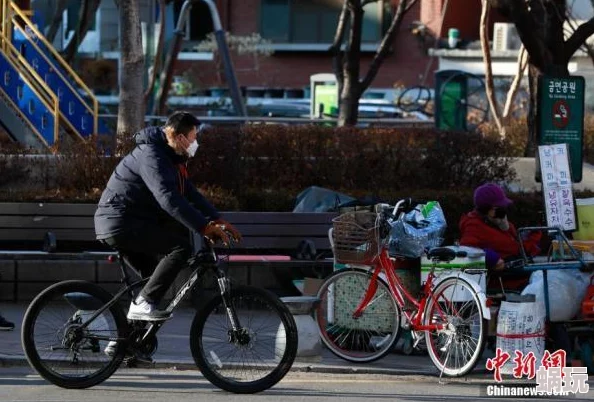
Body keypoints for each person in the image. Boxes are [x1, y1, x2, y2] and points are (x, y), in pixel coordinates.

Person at [94, 111, 242, 322]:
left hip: (130, 221)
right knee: (181, 248)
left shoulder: (170, 158)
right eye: (193, 137)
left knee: (153, 279)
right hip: (121, 222)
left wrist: (216, 218)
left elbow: (189, 192)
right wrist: (203, 227)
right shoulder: (152, 155)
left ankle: (124, 345)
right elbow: (168, 199)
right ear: (179, 137)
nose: (195, 142)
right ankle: (142, 306)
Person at [459, 182, 542, 291]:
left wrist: (535, 237)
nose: (503, 211)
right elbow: (466, 249)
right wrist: (490, 257)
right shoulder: (473, 225)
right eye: (499, 208)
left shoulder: (501, 223)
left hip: (522, 274)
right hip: (506, 282)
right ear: (488, 210)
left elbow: (518, 247)